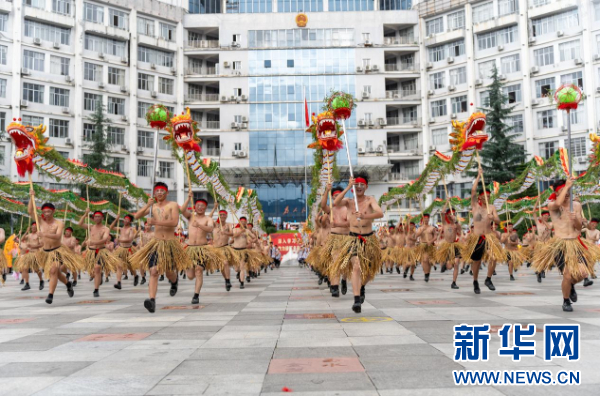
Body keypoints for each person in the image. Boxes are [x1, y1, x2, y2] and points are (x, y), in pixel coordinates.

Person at [532, 179, 595, 312]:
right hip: (560, 244)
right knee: (567, 275)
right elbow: (559, 202)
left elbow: (578, 227)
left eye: (568, 191)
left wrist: (576, 219)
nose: (566, 194)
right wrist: (566, 186)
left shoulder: (576, 205)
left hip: (574, 243)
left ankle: (571, 285)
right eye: (563, 191)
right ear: (556, 192)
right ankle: (566, 301)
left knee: (582, 273)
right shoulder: (552, 205)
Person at [131, 182, 192, 313]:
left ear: (167, 192)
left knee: (168, 271)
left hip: (169, 242)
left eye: (162, 190)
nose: (159, 192)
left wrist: (155, 222)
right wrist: (147, 205)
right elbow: (136, 216)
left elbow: (174, 222)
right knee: (153, 271)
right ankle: (152, 300)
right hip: (156, 243)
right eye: (157, 190)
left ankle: (174, 281)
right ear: (154, 193)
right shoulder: (152, 207)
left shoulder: (173, 205)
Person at [331, 174, 383, 313]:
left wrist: (365, 216)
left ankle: (362, 287)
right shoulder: (349, 201)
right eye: (356, 185)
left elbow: (379, 213)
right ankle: (356, 300)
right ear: (353, 187)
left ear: (366, 187)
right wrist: (348, 186)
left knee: (369, 272)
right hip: (354, 239)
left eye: (362, 184)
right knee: (356, 267)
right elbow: (336, 202)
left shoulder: (370, 199)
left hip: (369, 239)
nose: (359, 187)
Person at [28, 191, 80, 304]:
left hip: (57, 251)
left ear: (53, 211)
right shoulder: (40, 222)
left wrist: (44, 234)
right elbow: (30, 211)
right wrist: (31, 197)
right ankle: (68, 283)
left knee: (53, 271)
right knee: (56, 273)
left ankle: (50, 295)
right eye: (45, 211)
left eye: (49, 211)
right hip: (45, 252)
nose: (46, 214)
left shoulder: (59, 223)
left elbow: (57, 236)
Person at [461, 167, 506, 294]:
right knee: (477, 261)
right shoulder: (475, 206)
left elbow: (498, 221)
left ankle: (488, 278)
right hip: (477, 237)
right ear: (480, 198)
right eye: (485, 196)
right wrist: (478, 176)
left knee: (494, 256)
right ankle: (475, 281)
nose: (487, 198)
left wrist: (494, 219)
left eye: (489, 196)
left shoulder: (491, 208)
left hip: (489, 236)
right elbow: (473, 191)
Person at [181, 194, 224, 304]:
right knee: (190, 276)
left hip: (202, 249)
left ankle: (196, 295)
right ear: (195, 207)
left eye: (202, 206)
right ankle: (187, 270)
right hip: (190, 249)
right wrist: (188, 198)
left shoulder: (208, 219)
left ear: (205, 208)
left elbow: (210, 229)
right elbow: (182, 210)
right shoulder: (191, 217)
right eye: (198, 205)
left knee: (199, 271)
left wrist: (199, 225)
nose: (200, 207)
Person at [78, 209, 119, 297]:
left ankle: (96, 290)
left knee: (97, 268)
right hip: (91, 252)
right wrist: (85, 213)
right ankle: (98, 277)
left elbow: (104, 239)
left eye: (98, 216)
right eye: (95, 216)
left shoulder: (105, 229)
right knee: (93, 271)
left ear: (102, 218)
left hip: (100, 251)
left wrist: (94, 243)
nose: (97, 218)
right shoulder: (91, 227)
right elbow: (80, 224)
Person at [321, 185, 351, 296]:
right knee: (336, 262)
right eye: (335, 196)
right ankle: (334, 286)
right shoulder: (331, 209)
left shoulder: (347, 208)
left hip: (347, 238)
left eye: (339, 195)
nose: (337, 198)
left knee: (346, 263)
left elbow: (349, 223)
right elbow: (323, 205)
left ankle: (344, 280)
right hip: (335, 238)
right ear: (332, 198)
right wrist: (326, 190)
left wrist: (338, 223)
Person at [435, 206, 463, 289]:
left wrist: (456, 222)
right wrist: (447, 202)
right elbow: (442, 213)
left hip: (454, 245)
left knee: (457, 263)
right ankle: (444, 264)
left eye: (453, 214)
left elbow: (460, 231)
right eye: (450, 214)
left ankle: (454, 282)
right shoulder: (445, 224)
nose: (452, 215)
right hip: (446, 246)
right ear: (447, 215)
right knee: (449, 267)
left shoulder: (456, 224)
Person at [110, 213, 140, 288]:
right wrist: (116, 219)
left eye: (127, 219)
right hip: (120, 249)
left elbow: (130, 239)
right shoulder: (121, 229)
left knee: (130, 266)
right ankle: (119, 282)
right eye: (125, 219)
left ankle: (136, 276)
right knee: (119, 266)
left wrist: (119, 240)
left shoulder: (131, 229)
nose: (125, 220)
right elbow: (111, 227)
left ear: (130, 222)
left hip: (128, 249)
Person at [231, 216, 258, 289]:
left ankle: (242, 283)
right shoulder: (235, 229)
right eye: (241, 222)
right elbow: (233, 237)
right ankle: (239, 273)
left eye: (244, 222)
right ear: (239, 222)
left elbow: (254, 237)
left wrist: (252, 241)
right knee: (237, 269)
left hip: (243, 250)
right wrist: (240, 231)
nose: (243, 223)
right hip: (235, 250)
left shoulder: (247, 231)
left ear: (246, 222)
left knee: (242, 267)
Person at [16, 223, 44, 291]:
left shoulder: (39, 235)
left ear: (36, 228)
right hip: (29, 254)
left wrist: (32, 246)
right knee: (25, 269)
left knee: (36, 269)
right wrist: (26, 231)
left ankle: (41, 280)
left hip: (35, 253)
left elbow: (41, 244)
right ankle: (27, 284)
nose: (33, 228)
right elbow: (21, 239)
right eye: (32, 227)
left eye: (34, 227)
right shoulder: (29, 235)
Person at [213, 210, 236, 291]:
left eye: (224, 215)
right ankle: (226, 280)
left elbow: (233, 233)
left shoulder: (228, 224)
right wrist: (214, 208)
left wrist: (225, 233)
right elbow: (207, 218)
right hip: (216, 248)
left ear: (226, 216)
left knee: (225, 263)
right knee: (221, 266)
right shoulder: (215, 224)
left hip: (224, 247)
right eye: (221, 215)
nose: (222, 216)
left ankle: (228, 280)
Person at [415, 213, 436, 282]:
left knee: (429, 261)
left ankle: (428, 274)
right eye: (425, 218)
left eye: (427, 218)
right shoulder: (420, 228)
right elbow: (416, 236)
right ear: (423, 219)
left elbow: (435, 237)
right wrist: (421, 231)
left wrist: (431, 241)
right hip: (422, 245)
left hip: (430, 246)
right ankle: (426, 274)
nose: (426, 219)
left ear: (429, 219)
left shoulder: (432, 228)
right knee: (425, 260)